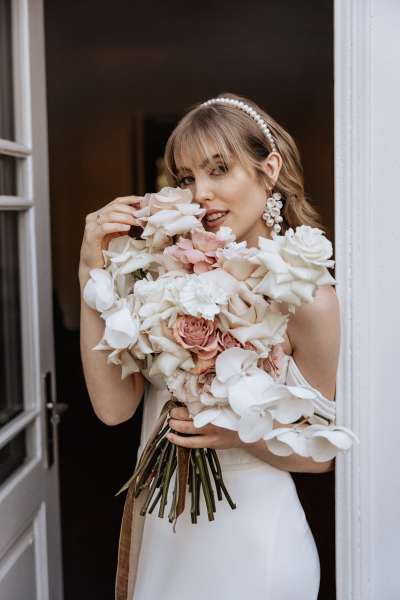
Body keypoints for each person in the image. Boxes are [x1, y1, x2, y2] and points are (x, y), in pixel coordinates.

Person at [79, 92, 339, 599]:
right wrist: (92, 268)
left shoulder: (308, 299)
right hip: (165, 529)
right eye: (185, 178)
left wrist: (240, 434)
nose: (200, 193)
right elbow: (114, 409)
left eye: (219, 169)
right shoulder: (161, 274)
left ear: (269, 170)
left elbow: (320, 456)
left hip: (255, 550)